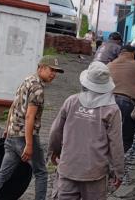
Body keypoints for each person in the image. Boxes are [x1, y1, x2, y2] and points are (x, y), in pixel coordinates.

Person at [0, 55, 64, 200]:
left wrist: (7, 128)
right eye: (51, 70)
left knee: (2, 174)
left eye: (56, 71)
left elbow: (13, 106)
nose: (54, 74)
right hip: (24, 137)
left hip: (12, 135)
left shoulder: (26, 81)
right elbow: (29, 117)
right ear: (41, 68)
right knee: (41, 173)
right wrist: (29, 144)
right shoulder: (37, 89)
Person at [48, 61, 124, 200]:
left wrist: (55, 151)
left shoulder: (71, 101)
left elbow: (55, 131)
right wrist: (118, 172)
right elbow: (116, 144)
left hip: (68, 167)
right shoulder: (112, 110)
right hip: (94, 173)